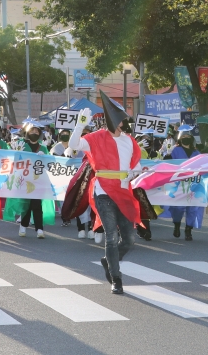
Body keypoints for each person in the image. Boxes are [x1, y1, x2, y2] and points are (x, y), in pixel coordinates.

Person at [68, 92, 143, 295]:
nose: (123, 124)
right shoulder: (95, 138)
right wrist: (80, 125)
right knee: (111, 237)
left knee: (128, 240)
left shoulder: (129, 141)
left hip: (124, 192)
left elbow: (137, 164)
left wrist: (136, 172)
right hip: (103, 192)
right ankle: (116, 279)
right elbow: (73, 145)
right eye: (120, 121)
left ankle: (109, 260)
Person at [168, 125, 202, 241]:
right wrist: (167, 156)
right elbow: (169, 165)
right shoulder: (175, 150)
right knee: (178, 208)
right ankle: (177, 225)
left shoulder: (196, 152)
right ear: (180, 138)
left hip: (193, 184)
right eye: (184, 136)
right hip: (178, 184)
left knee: (192, 208)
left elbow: (202, 166)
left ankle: (188, 230)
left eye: (188, 136)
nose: (186, 138)